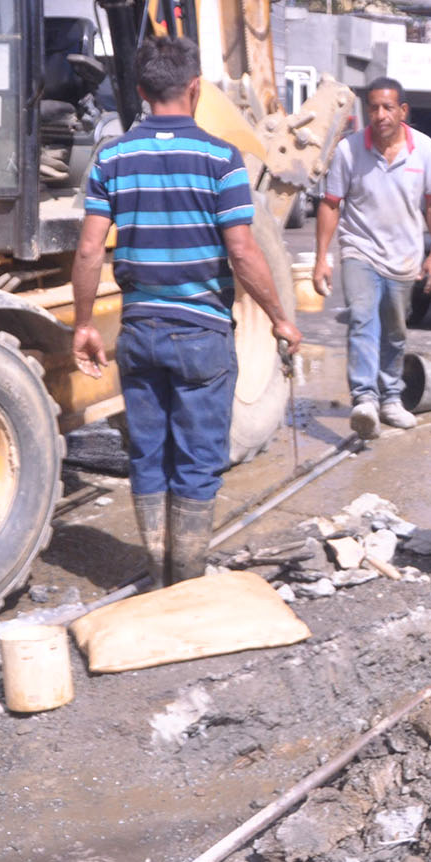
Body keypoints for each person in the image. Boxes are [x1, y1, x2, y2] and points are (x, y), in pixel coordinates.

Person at [72, 36, 300, 587]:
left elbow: (87, 249)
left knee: (149, 456)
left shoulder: (113, 157)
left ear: (143, 92)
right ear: (195, 89)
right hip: (201, 334)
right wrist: (278, 318)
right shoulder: (221, 158)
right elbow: (243, 251)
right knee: (198, 460)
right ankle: (188, 577)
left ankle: (157, 570)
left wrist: (82, 325)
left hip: (139, 332)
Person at [312, 77, 431, 439]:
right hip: (360, 249)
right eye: (373, 107)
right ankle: (365, 399)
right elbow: (331, 204)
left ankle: (391, 399)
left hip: (404, 257)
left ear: (403, 111)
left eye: (388, 107)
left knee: (395, 329)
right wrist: (322, 257)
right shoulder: (349, 150)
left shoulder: (424, 149)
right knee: (361, 319)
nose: (380, 114)